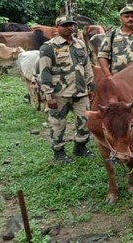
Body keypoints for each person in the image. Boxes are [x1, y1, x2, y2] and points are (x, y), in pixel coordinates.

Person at [39, 16, 95, 163]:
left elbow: (87, 65)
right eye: (65, 25)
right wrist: (49, 95)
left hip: (80, 91)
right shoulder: (48, 47)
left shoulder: (80, 45)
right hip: (59, 93)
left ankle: (80, 147)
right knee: (58, 124)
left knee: (84, 120)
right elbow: (44, 72)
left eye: (71, 25)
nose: (69, 28)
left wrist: (91, 84)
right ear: (57, 28)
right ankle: (59, 152)